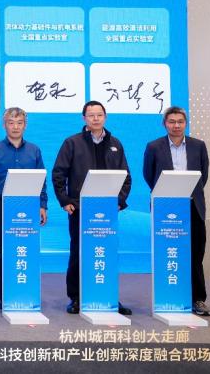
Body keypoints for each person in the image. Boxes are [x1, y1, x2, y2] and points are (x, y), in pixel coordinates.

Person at [52, 100, 132, 315]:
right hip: (80, 208)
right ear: (84, 118)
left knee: (106, 252)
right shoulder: (72, 143)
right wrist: (65, 200)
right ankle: (76, 297)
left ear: (105, 117)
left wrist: (119, 201)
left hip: (107, 210)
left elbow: (126, 177)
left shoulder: (115, 144)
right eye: (91, 115)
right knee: (78, 253)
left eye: (99, 115)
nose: (96, 118)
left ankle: (108, 296)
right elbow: (58, 174)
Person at [143, 106, 210, 316]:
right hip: (166, 207)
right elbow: (149, 175)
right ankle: (168, 296)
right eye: (171, 121)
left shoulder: (198, 146)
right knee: (167, 252)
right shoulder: (154, 147)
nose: (176, 125)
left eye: (180, 121)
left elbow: (203, 176)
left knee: (195, 254)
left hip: (192, 206)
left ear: (185, 123)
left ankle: (198, 299)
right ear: (165, 124)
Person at [0, 107, 47, 308]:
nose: (15, 127)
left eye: (19, 122)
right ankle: (5, 297)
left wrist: (43, 205)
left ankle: (26, 293)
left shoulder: (34, 150)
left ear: (25, 125)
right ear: (4, 125)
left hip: (29, 205)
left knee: (27, 249)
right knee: (4, 251)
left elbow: (42, 180)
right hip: (2, 205)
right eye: (11, 122)